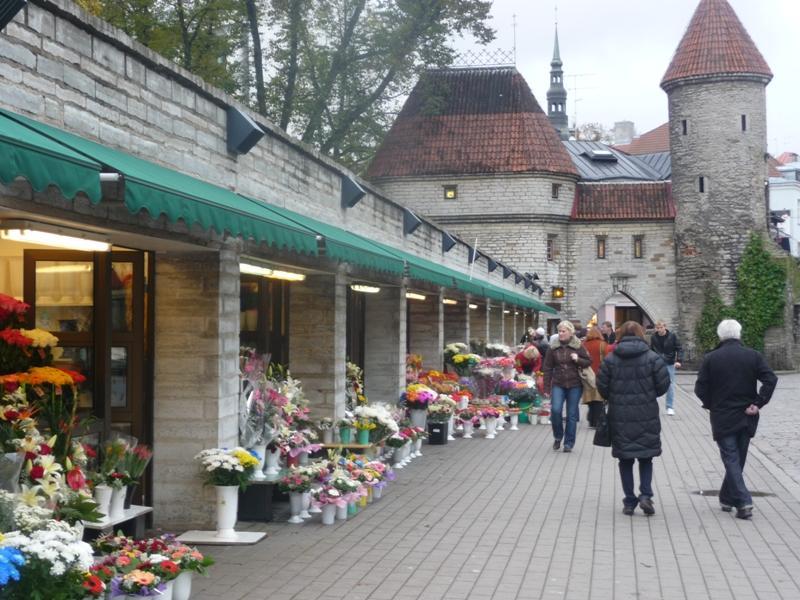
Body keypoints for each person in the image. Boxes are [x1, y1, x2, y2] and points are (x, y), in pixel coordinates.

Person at [694, 319, 777, 520]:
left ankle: (740, 500)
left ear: (720, 336)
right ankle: (731, 498)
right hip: (746, 414)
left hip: (722, 415)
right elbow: (770, 379)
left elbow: (700, 388)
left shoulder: (712, 358)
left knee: (732, 459)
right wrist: (758, 403)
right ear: (739, 334)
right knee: (736, 458)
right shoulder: (753, 356)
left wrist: (710, 403)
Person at [597, 321, 670, 516]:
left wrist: (614, 396)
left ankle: (629, 501)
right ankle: (645, 495)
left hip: (620, 415)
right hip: (646, 413)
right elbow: (663, 385)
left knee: (625, 459)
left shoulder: (611, 359)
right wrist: (648, 393)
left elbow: (602, 387)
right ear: (640, 334)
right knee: (646, 457)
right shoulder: (652, 358)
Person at [542, 320, 591, 453]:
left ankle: (569, 443)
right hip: (558, 384)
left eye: (564, 331)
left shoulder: (578, 345)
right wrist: (546, 388)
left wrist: (578, 359)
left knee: (572, 415)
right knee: (556, 411)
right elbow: (547, 368)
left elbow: (588, 361)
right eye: (559, 331)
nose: (561, 333)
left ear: (570, 332)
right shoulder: (553, 347)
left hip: (575, 385)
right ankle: (558, 436)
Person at [650, 320, 683, 415]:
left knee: (670, 385)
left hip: (669, 363)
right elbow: (651, 350)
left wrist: (678, 361)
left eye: (661, 327)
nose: (659, 329)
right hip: (657, 363)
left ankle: (670, 407)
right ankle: (652, 406)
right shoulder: (653, 337)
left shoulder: (672, 336)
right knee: (653, 384)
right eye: (657, 327)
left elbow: (679, 348)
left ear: (665, 327)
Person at [582, 327, 608, 427]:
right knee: (598, 400)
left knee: (590, 399)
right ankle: (596, 421)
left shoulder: (584, 345)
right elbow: (607, 359)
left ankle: (591, 419)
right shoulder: (602, 344)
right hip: (599, 374)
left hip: (587, 375)